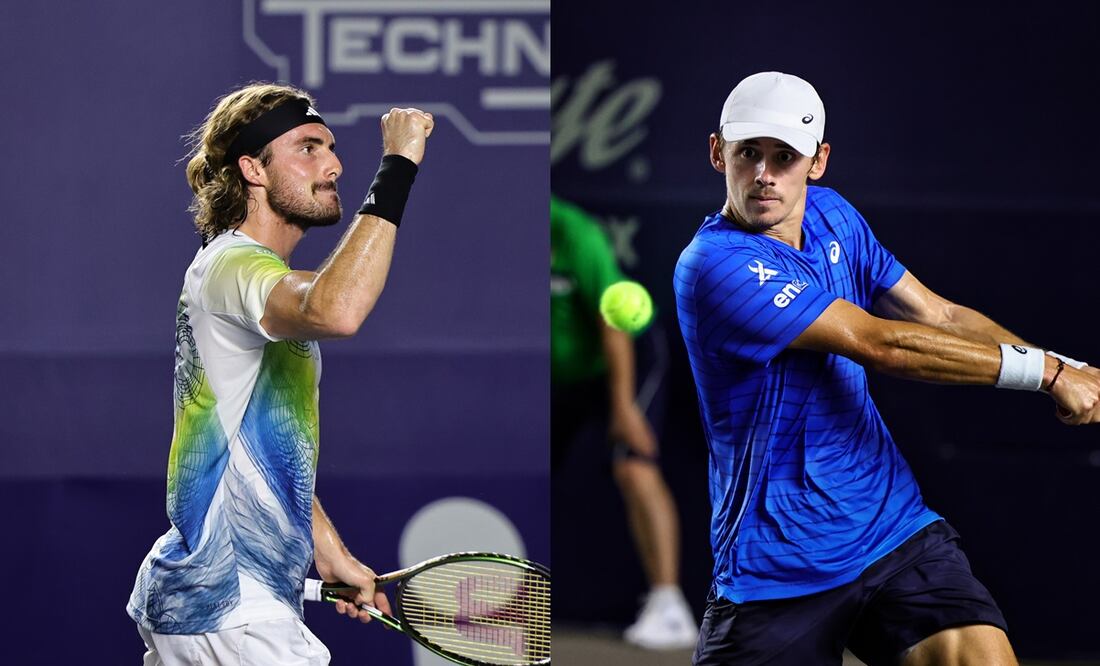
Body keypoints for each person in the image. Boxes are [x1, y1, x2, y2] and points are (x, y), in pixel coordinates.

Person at [673, 71, 1100, 666]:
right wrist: (1051, 375)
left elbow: (939, 315)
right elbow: (885, 345)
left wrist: (1075, 370)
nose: (764, 175)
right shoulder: (714, 265)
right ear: (719, 152)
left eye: (784, 156)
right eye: (748, 153)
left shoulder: (834, 217)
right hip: (776, 569)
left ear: (817, 162)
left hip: (889, 529)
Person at [126, 82, 434, 664]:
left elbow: (257, 443)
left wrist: (327, 547)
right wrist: (397, 167)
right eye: (309, 148)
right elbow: (336, 309)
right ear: (254, 170)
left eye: (332, 148)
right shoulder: (232, 268)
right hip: (232, 610)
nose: (335, 165)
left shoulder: (240, 275)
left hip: (220, 608)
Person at [551, 194, 698, 649]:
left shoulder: (574, 231)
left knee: (634, 465)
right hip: (563, 376)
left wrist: (623, 406)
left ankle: (670, 606)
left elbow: (612, 320)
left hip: (624, 360)